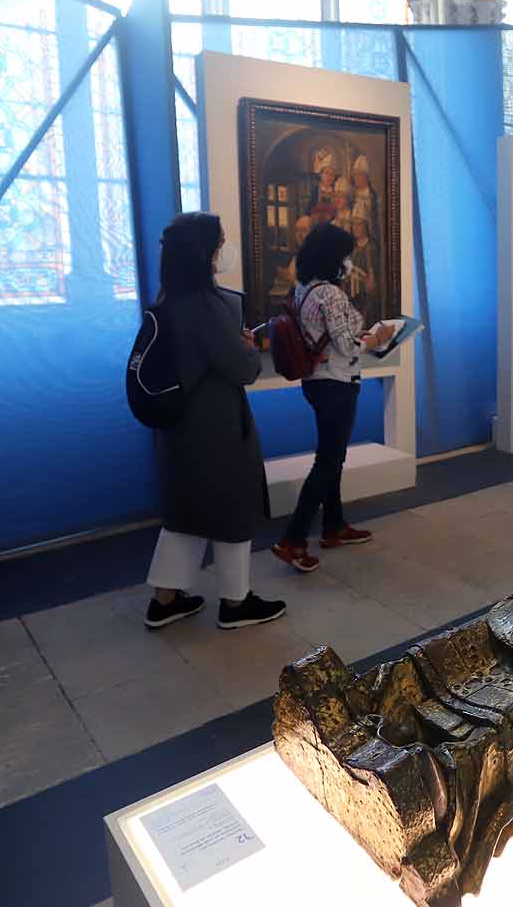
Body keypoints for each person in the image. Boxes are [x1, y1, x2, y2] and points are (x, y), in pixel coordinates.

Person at [142, 212, 288, 631]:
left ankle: (165, 599)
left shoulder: (169, 299)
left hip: (179, 425)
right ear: (203, 252)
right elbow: (242, 369)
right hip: (217, 426)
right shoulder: (208, 306)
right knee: (232, 509)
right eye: (219, 245)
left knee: (187, 512)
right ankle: (236, 603)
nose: (222, 253)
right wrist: (248, 346)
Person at [271, 222, 393, 571]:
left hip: (316, 382)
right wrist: (379, 337)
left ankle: (334, 526)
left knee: (332, 457)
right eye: (346, 256)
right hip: (337, 383)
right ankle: (293, 539)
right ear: (334, 257)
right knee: (327, 461)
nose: (349, 262)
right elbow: (348, 347)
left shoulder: (304, 290)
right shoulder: (331, 294)